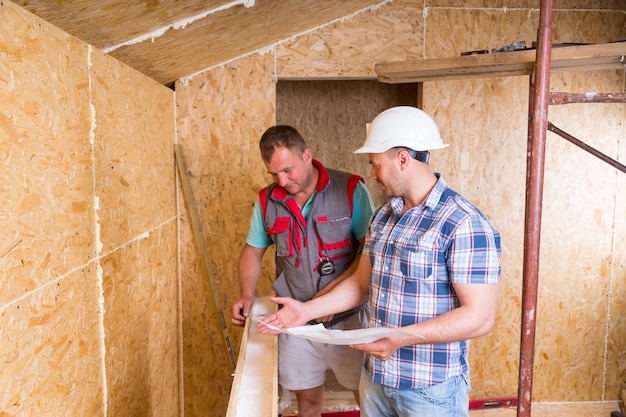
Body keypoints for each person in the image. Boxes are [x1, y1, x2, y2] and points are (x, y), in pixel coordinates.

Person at [258, 107, 502, 417]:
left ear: (402, 159)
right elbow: (360, 284)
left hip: (429, 389)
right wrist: (306, 311)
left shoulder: (462, 222)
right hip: (377, 378)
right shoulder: (384, 218)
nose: (371, 174)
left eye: (375, 164)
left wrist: (399, 341)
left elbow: (479, 317)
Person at [231, 125, 375, 417]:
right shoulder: (266, 201)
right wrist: (246, 294)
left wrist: (324, 299)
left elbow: (370, 256)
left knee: (368, 399)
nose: (282, 181)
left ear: (307, 156)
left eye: (288, 170)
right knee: (308, 403)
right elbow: (252, 251)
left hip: (348, 320)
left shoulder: (350, 190)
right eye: (273, 174)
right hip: (296, 326)